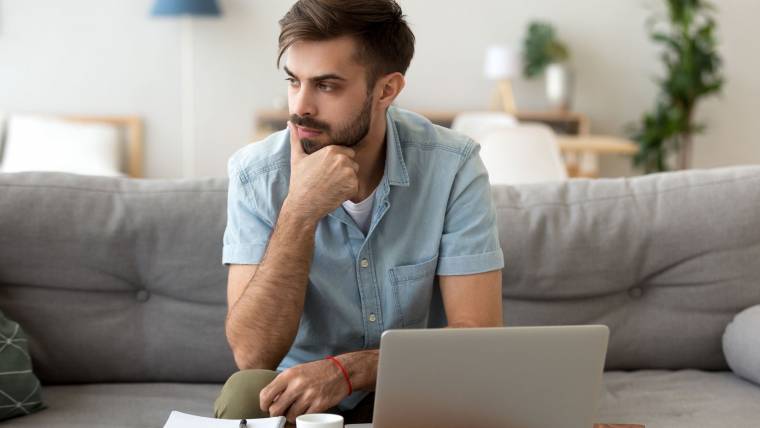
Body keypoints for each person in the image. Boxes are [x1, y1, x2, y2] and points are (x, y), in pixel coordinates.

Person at [214, 0, 504, 424]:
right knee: (245, 394)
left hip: (417, 385)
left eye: (326, 86)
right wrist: (300, 208)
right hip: (301, 398)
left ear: (387, 90)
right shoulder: (255, 176)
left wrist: (349, 371)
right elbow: (253, 355)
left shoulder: (452, 166)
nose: (300, 107)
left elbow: (478, 336)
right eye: (294, 81)